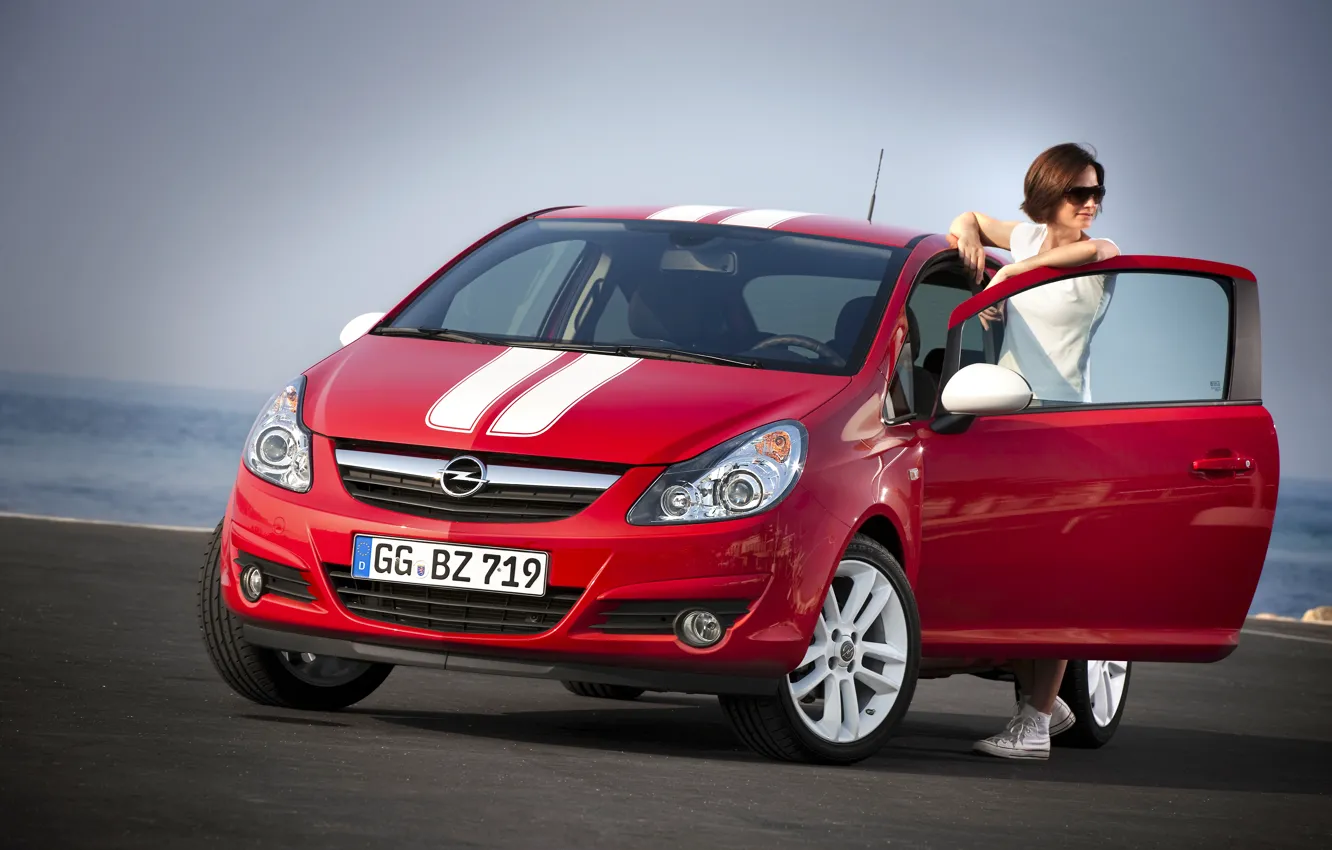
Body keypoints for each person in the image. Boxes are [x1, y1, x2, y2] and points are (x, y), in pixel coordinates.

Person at [946, 142, 1121, 760]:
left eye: (1099, 192)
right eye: (1081, 193)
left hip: (1066, 437)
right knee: (1012, 577)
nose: (1093, 204)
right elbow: (968, 218)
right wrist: (968, 236)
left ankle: (1035, 725)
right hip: (1008, 426)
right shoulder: (1025, 236)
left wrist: (1007, 276)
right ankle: (1046, 701)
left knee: (1052, 582)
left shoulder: (1098, 258)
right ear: (1050, 194)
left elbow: (1094, 251)